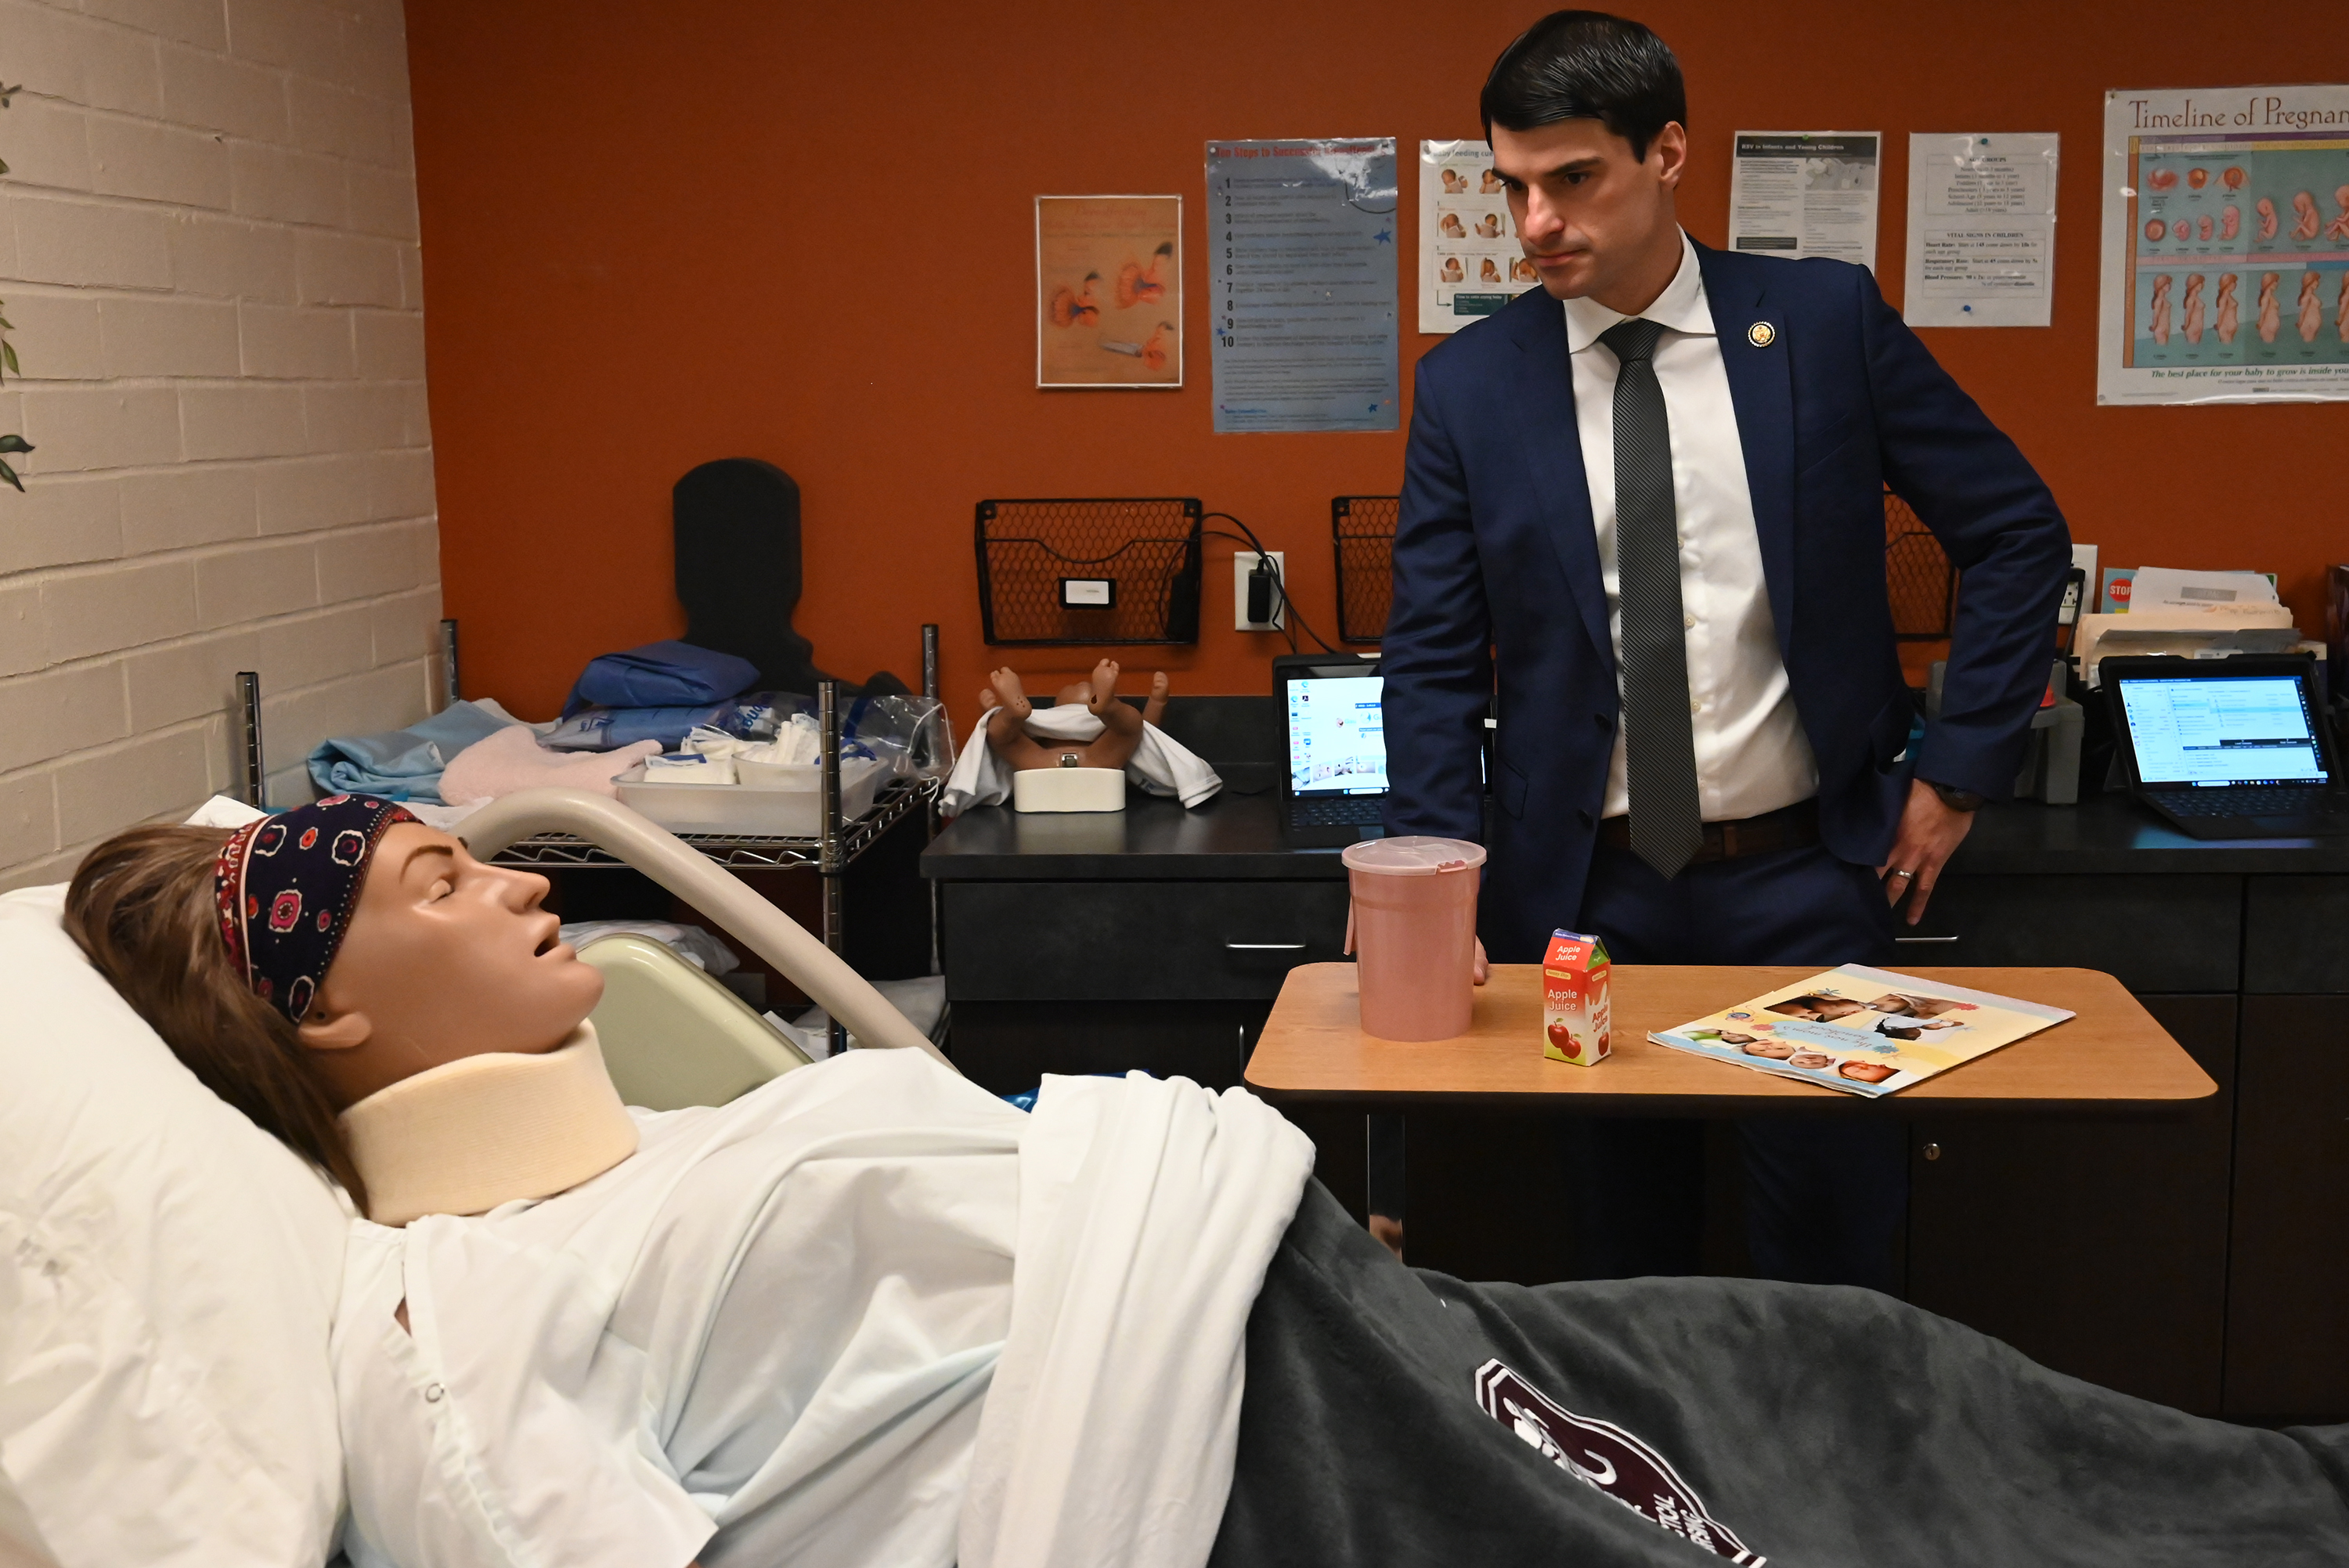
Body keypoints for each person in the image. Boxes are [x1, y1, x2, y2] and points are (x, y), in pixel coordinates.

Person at [60, 796, 2349, 1565]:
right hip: (1259, 1453)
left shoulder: (662, 1136)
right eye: (435, 879)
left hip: (1313, 1309)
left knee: (1854, 1355)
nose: (513, 878)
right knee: (1880, 1476)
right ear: (330, 1020)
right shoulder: (430, 1326)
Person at [1382, 11, 2069, 1292]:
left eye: (1573, 179)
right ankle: (1634, 1495)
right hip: (1580, 899)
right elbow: (1427, 656)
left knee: (1825, 1262)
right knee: (1608, 1263)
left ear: (1669, 152)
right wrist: (1435, 877)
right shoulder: (1472, 386)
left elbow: (2018, 531)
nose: (1535, 224)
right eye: (1514, 186)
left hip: (1806, 881)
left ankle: (1815, 1492)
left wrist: (1959, 766)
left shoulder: (1819, 324)